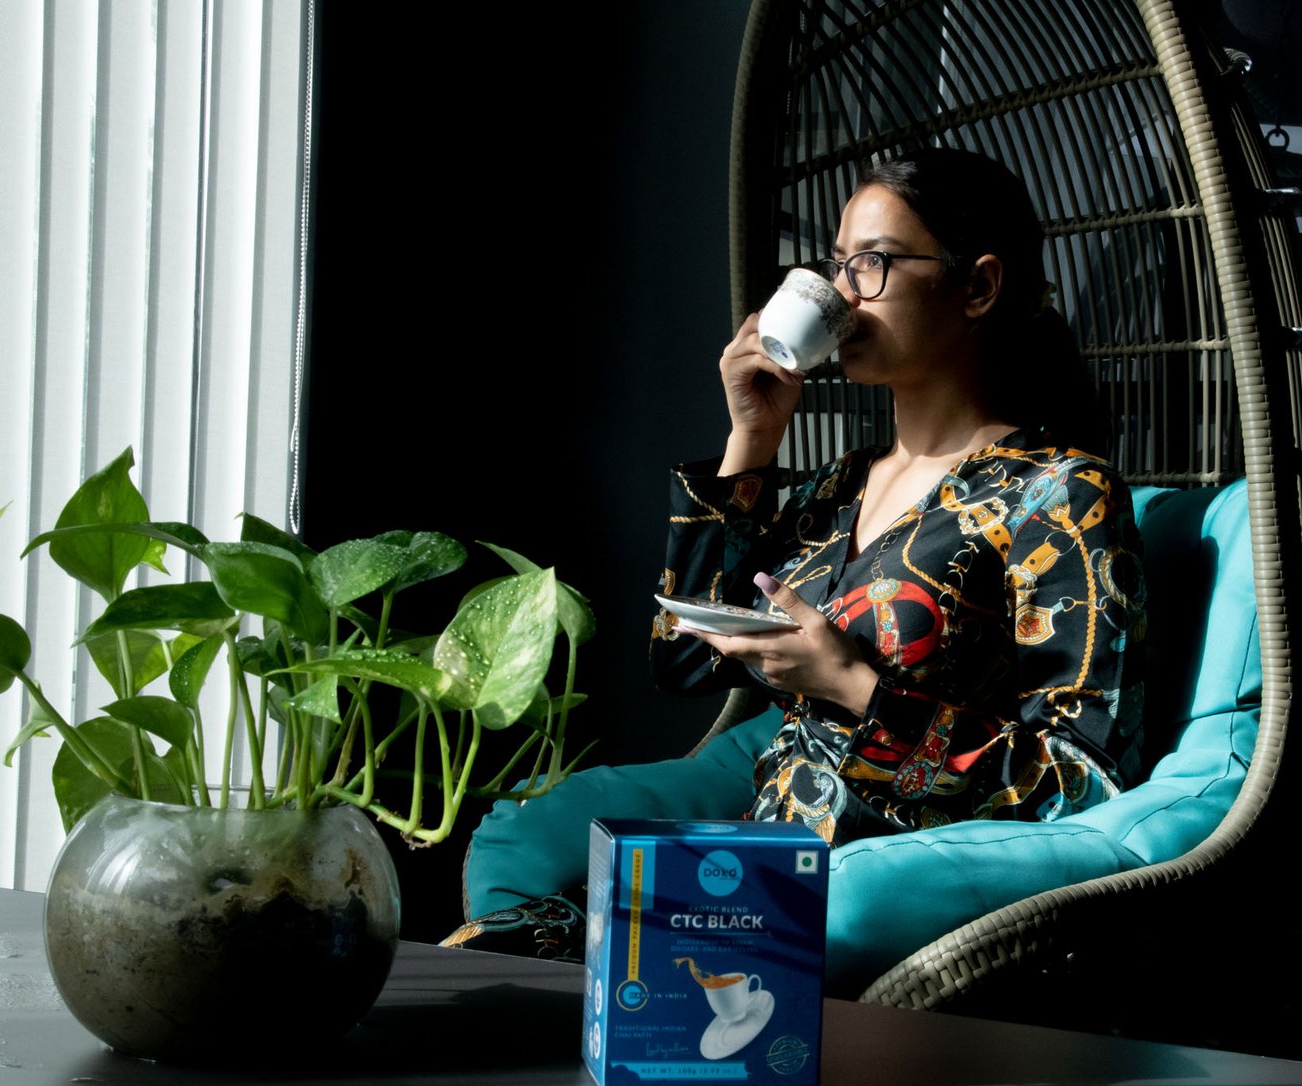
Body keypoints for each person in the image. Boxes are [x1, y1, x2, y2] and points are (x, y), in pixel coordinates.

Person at [441, 147, 1147, 971]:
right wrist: (752, 436)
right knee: (521, 878)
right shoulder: (843, 484)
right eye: (837, 265)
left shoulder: (1059, 495)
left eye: (872, 263)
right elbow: (683, 661)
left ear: (979, 287)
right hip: (764, 818)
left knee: (568, 961)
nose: (842, 295)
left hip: (883, 859)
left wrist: (852, 686)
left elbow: (1085, 783)